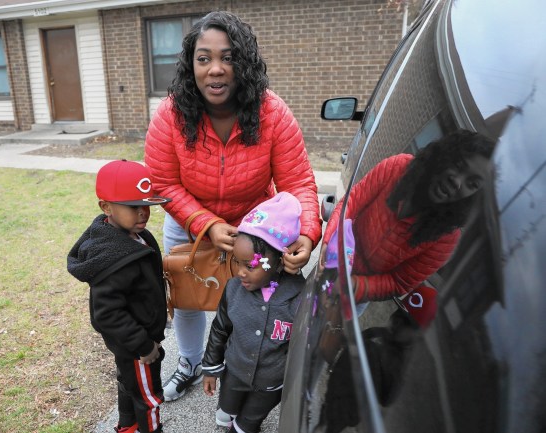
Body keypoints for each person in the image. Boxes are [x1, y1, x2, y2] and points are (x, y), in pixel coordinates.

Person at [144, 10, 322, 401]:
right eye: (204, 58)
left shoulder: (272, 112)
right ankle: (190, 362)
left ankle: (244, 367)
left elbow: (298, 185)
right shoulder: (170, 115)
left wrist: (307, 234)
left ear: (244, 62)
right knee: (189, 300)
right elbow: (164, 183)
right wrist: (204, 222)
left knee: (253, 298)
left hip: (256, 228)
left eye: (228, 57)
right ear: (191, 65)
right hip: (188, 222)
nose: (216, 69)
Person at [319, 129, 496, 303]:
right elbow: (351, 202)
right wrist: (328, 243)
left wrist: (353, 286)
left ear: (475, 196)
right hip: (333, 260)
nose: (457, 181)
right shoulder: (398, 167)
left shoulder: (446, 239)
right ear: (445, 156)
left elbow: (398, 283)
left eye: (472, 184)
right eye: (458, 165)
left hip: (353, 295)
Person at [67, 160, 171, 433]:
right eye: (133, 206)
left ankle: (127, 426)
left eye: (147, 205)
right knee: (149, 396)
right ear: (106, 207)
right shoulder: (113, 257)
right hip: (137, 345)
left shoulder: (137, 237)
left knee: (130, 385)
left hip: (138, 339)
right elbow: (106, 313)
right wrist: (144, 345)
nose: (143, 213)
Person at [201, 192, 306, 432]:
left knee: (247, 424)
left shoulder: (301, 297)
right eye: (237, 262)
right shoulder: (233, 289)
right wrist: (210, 368)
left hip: (271, 385)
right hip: (234, 374)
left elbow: (304, 346)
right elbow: (220, 329)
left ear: (279, 262)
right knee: (227, 410)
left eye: (250, 265)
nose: (240, 272)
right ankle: (228, 415)